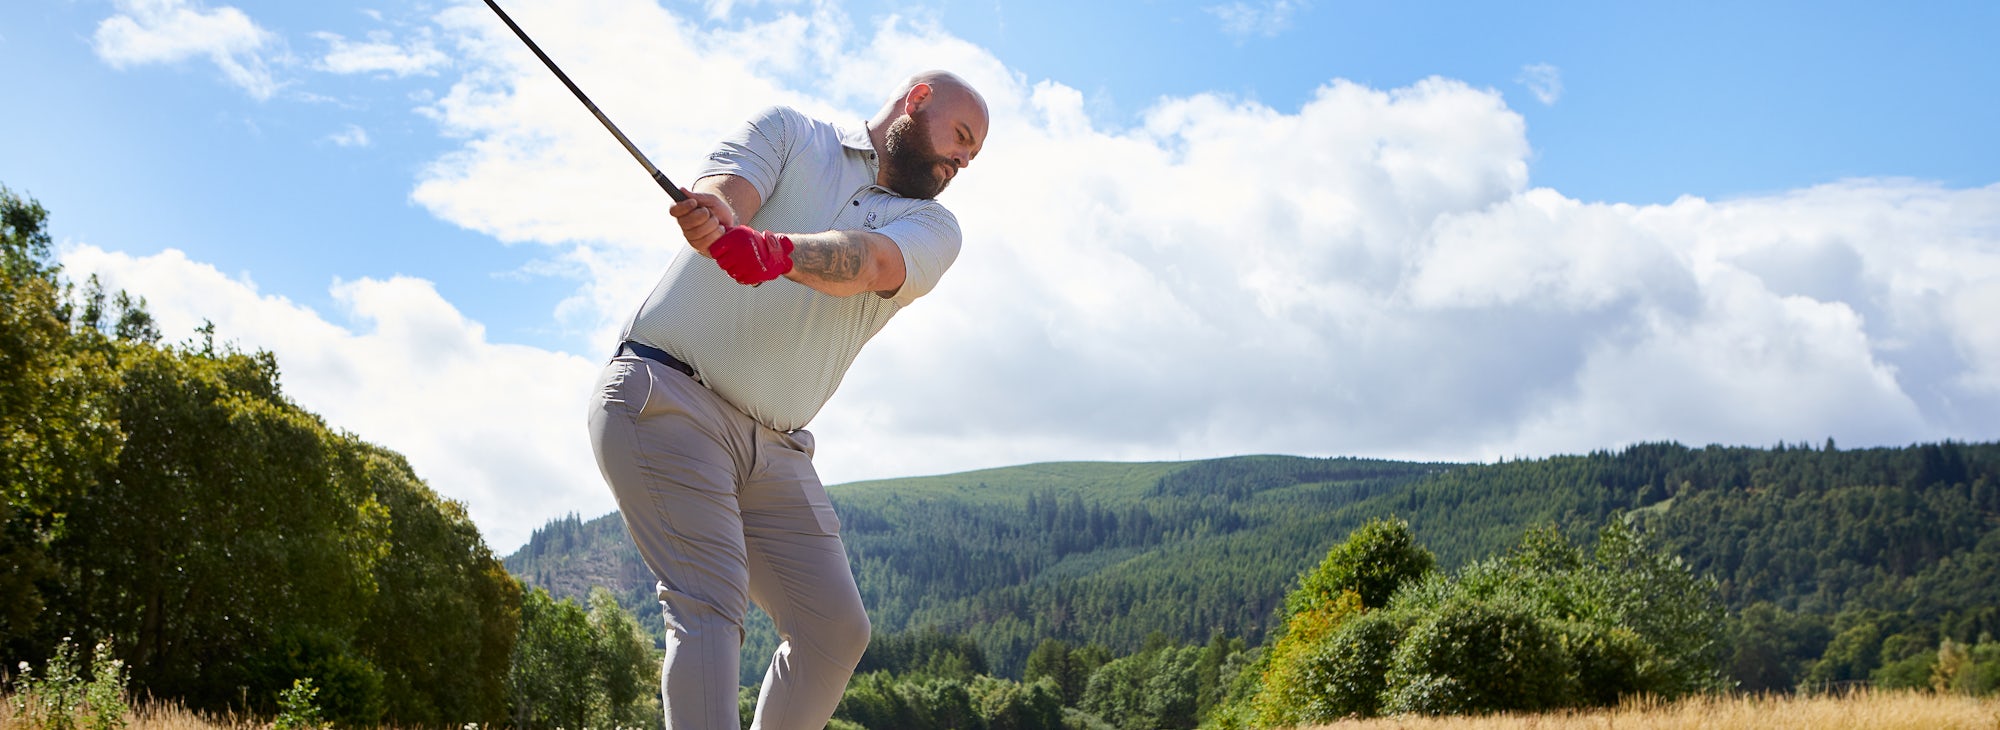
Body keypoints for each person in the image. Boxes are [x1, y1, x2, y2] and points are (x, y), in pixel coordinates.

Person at [586, 70, 989, 730]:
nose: (963, 161)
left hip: (776, 449)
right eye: (961, 137)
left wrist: (774, 253)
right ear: (915, 101)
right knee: (710, 605)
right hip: (664, 398)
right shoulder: (791, 133)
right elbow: (728, 191)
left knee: (834, 631)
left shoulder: (933, 225)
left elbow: (868, 263)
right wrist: (717, 215)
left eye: (973, 156)